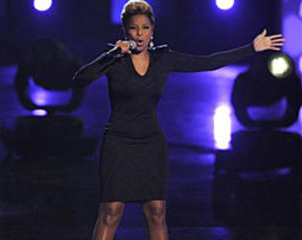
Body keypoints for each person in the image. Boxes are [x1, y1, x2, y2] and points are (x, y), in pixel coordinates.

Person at [72, 1, 285, 239]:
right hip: (118, 144)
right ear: (126, 31)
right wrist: (112, 54)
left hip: (151, 144)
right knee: (110, 212)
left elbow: (208, 61)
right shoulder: (115, 60)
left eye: (145, 27)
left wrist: (251, 48)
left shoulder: (164, 59)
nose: (139, 33)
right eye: (134, 28)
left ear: (153, 30)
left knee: (156, 212)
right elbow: (80, 79)